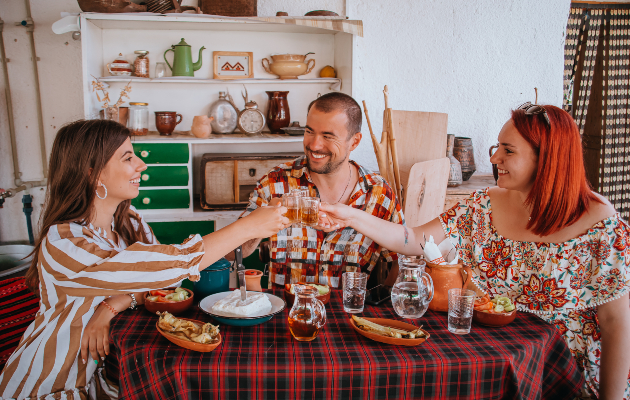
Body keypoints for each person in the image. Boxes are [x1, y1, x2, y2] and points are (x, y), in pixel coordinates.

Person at [317, 103, 630, 399]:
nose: (494, 159)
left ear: (548, 158)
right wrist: (351, 216)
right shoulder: (485, 204)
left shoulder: (600, 224)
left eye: (508, 151)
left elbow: (616, 324)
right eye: (497, 148)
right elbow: (413, 239)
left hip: (562, 374)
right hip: (496, 359)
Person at [0, 119, 290, 400]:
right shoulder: (64, 242)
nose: (142, 165)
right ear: (92, 173)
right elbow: (172, 266)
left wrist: (113, 304)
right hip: (50, 383)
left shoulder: (129, 223)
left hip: (107, 377)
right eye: (128, 158)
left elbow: (161, 285)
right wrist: (249, 225)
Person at [234, 92, 405, 288]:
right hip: (285, 313)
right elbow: (235, 250)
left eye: (328, 136)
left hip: (349, 315)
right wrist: (258, 226)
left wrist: (386, 304)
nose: (314, 144)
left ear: (355, 141)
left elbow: (400, 259)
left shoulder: (379, 192)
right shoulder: (275, 182)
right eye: (309, 131)